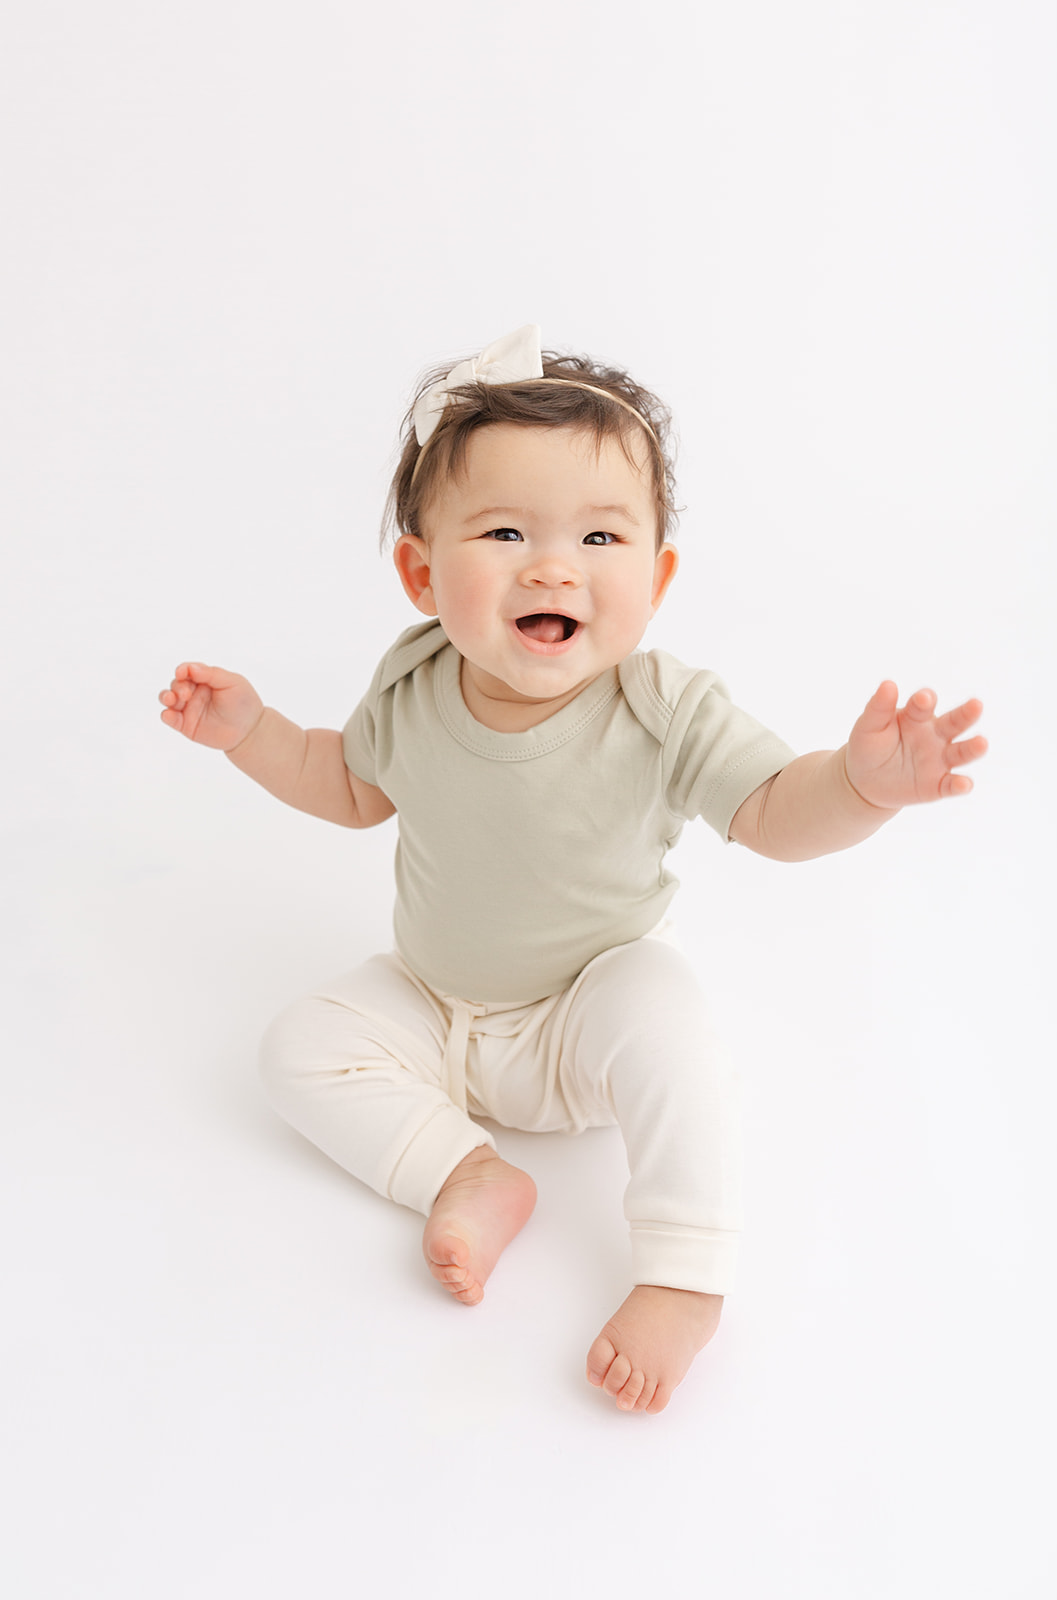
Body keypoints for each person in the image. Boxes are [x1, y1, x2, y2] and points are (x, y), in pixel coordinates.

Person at [158, 325, 987, 1415]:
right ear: (419, 570)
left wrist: (861, 786)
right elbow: (347, 786)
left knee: (670, 1020)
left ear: (657, 573)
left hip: (586, 1012)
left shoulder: (659, 707)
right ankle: (466, 1171)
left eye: (601, 537)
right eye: (503, 530)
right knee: (293, 1047)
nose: (553, 565)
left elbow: (773, 811)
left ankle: (684, 1276)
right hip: (434, 1004)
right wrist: (254, 731)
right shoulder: (411, 685)